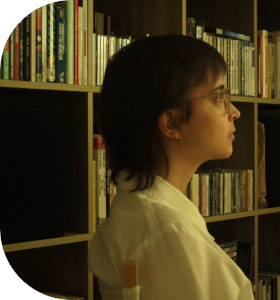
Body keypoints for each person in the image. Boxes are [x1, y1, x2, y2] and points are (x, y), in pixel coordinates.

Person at [88, 34, 254, 300]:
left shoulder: (149, 214)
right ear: (172, 124)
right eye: (219, 97)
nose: (234, 112)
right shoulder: (168, 231)